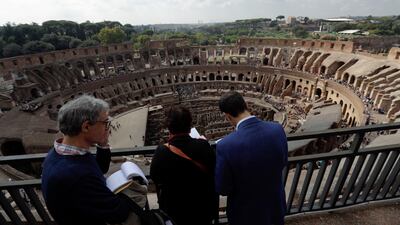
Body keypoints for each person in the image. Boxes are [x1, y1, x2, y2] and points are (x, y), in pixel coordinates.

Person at [41, 95, 134, 225]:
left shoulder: (59, 153)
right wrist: (133, 192)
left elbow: (98, 168)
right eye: (105, 123)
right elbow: (118, 213)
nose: (108, 128)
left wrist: (103, 144)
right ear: (86, 127)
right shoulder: (77, 175)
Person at [215, 91, 288, 225]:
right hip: (274, 205)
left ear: (227, 117)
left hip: (245, 214)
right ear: (247, 105)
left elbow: (223, 188)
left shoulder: (225, 146)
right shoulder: (277, 129)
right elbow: (283, 162)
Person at [150, 106, 218, 225]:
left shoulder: (161, 151)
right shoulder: (203, 146)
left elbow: (155, 176)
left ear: (169, 127)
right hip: (202, 208)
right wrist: (203, 143)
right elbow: (213, 169)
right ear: (190, 125)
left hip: (175, 211)